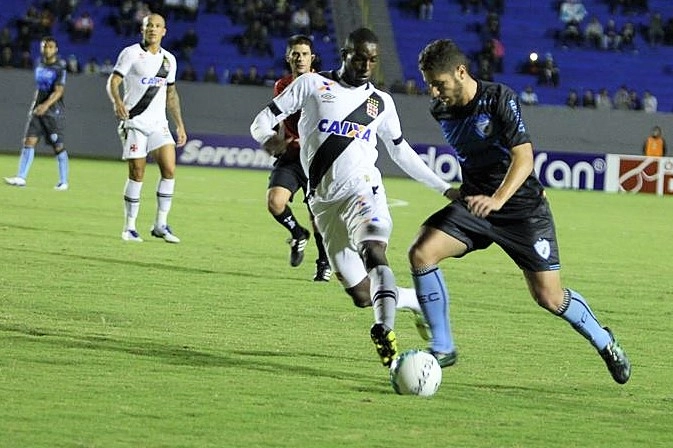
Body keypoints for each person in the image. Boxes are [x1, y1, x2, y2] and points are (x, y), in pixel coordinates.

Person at [409, 38, 631, 384]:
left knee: (549, 296)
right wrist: (466, 193)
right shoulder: (441, 109)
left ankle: (606, 342)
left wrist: (498, 199)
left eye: (439, 83)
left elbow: (524, 157)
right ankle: (443, 346)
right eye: (430, 85)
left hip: (522, 209)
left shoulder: (499, 99)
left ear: (461, 72)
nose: (435, 93)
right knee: (422, 252)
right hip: (476, 206)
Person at [250, 28, 452, 367]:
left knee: (374, 251)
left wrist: (445, 188)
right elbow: (261, 121)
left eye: (373, 60)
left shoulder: (380, 103)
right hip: (323, 202)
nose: (366, 65)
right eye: (360, 58)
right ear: (344, 54)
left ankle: (383, 330)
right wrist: (268, 139)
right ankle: (415, 301)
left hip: (363, 191)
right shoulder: (311, 86)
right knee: (361, 294)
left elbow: (402, 153)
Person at [106, 13, 187, 243]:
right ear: (142, 30)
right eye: (148, 25)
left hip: (159, 125)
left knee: (169, 170)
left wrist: (179, 125)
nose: (152, 29)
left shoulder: (169, 60)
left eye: (157, 26)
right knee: (137, 174)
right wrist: (117, 102)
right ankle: (129, 227)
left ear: (164, 31)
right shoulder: (131, 53)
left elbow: (171, 93)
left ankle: (160, 224)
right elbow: (113, 81)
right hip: (135, 123)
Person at [264, 35, 332, 281]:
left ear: (312, 58)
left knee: (318, 217)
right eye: (295, 53)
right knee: (275, 202)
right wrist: (274, 140)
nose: (299, 58)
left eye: (304, 54)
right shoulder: (282, 85)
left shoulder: (325, 84)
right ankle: (298, 234)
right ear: (288, 57)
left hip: (317, 159)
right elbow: (280, 117)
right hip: (292, 157)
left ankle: (324, 263)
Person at [4, 36, 69, 190]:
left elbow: (59, 91)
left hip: (52, 112)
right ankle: (21, 177)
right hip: (37, 110)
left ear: (56, 49)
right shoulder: (39, 64)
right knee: (28, 142)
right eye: (44, 47)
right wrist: (35, 105)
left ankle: (63, 181)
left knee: (57, 146)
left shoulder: (60, 68)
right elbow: (40, 88)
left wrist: (45, 106)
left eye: (50, 47)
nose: (47, 50)